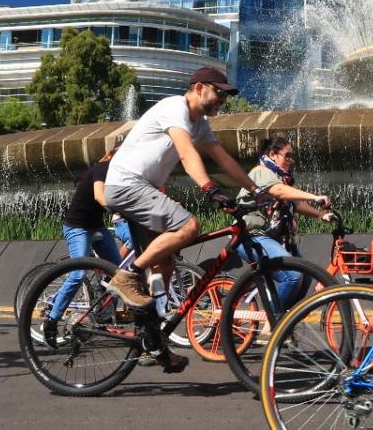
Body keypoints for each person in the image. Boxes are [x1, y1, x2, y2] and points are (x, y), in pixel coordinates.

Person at [102, 67, 277, 370]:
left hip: (140, 188)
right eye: (218, 92)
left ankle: (151, 343)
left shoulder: (201, 124)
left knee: (166, 261)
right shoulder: (175, 108)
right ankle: (126, 276)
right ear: (198, 88)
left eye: (226, 94)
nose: (222, 98)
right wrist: (210, 188)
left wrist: (255, 190)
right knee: (189, 226)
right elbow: (186, 152)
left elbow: (222, 158)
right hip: (127, 185)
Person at [236, 137, 337, 308]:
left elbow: (296, 204)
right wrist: (315, 197)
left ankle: (287, 321)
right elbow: (279, 192)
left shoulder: (281, 177)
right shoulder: (261, 172)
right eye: (287, 156)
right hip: (253, 237)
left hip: (273, 239)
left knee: (306, 275)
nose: (290, 160)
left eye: (292, 156)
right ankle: (274, 324)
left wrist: (321, 215)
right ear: (273, 154)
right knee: (293, 276)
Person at [42, 143, 124, 346]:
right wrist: (121, 209)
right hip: (77, 228)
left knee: (118, 271)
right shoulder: (103, 168)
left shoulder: (122, 175)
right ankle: (51, 320)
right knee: (78, 274)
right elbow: (99, 195)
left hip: (96, 227)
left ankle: (103, 316)